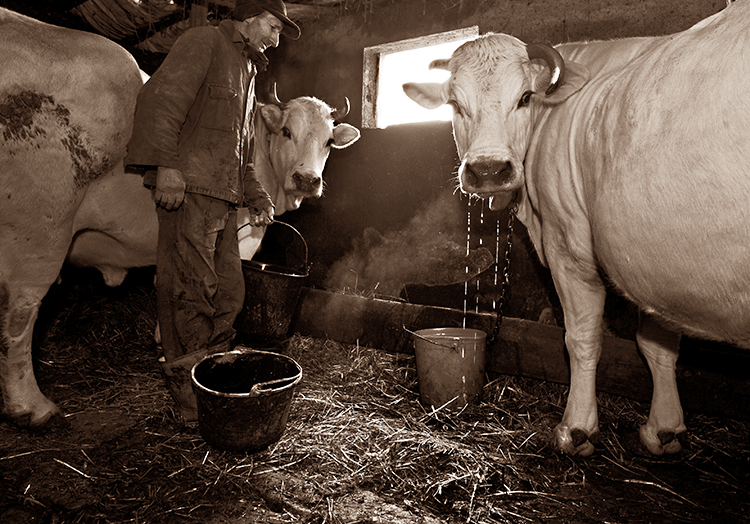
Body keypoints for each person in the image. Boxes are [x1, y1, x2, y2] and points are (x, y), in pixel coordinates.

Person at [124, 0, 301, 423]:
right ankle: (190, 403)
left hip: (222, 197)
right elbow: (160, 101)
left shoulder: (248, 68)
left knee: (228, 293)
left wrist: (257, 194)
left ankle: (214, 386)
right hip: (191, 192)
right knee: (190, 293)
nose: (275, 40)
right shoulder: (204, 41)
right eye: (273, 28)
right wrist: (165, 165)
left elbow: (240, 150)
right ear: (250, 15)